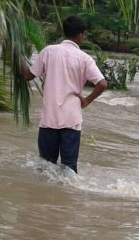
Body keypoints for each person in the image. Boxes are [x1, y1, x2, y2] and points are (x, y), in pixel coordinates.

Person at [21, 15, 107, 173]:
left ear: (64, 32)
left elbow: (28, 75)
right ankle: (68, 196)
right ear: (81, 35)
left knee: (46, 167)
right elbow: (102, 84)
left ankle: (46, 196)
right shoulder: (84, 58)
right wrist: (87, 101)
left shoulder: (48, 52)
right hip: (71, 120)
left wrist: (17, 55)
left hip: (49, 119)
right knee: (69, 169)